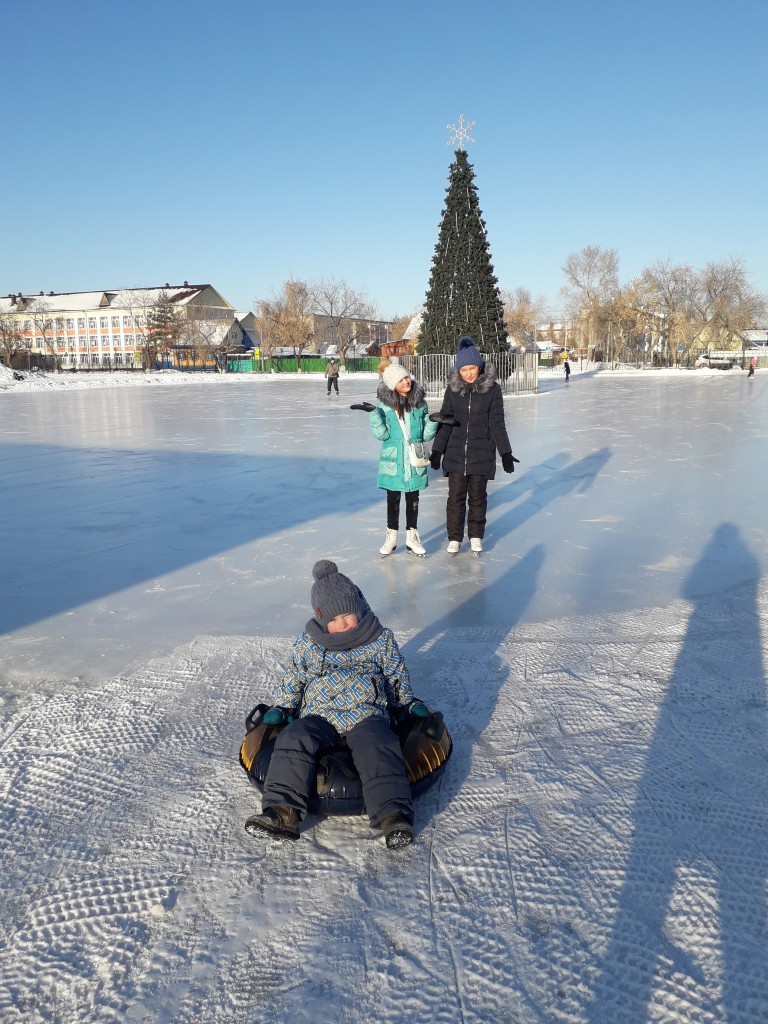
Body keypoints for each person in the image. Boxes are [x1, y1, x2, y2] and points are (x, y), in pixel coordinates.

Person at [245, 559, 427, 849]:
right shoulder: (311, 643)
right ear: (321, 619)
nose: (342, 624)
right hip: (320, 714)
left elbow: (395, 673)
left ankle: (393, 816)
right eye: (334, 619)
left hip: (365, 712)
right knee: (294, 737)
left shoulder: (378, 639)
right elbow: (296, 676)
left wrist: (405, 704)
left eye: (347, 615)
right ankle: (282, 812)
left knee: (379, 745)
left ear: (358, 609)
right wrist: (284, 706)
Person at [430, 336, 519, 555]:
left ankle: (476, 535)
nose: (468, 373)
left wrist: (505, 453)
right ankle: (454, 538)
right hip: (455, 453)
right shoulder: (452, 390)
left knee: (478, 497)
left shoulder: (492, 390)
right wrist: (437, 450)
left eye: (472, 368)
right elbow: (446, 421)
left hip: (481, 453)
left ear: (479, 366)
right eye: (464, 369)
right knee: (455, 498)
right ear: (458, 370)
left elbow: (497, 423)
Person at [366, 363, 438, 557]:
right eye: (400, 380)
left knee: (413, 499)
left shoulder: (420, 404)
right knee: (393, 499)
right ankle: (391, 538)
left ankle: (412, 538)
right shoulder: (385, 406)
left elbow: (424, 435)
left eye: (406, 377)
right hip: (394, 460)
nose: (406, 381)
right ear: (392, 385)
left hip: (414, 458)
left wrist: (432, 422)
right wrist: (374, 414)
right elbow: (382, 435)